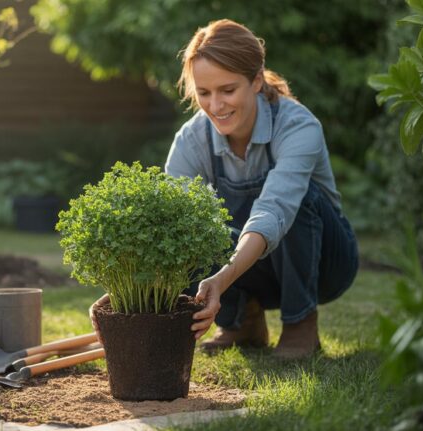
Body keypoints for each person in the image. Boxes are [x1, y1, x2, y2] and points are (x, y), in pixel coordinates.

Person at [91, 19, 358, 360]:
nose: (216, 106)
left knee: (300, 198)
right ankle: (241, 322)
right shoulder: (192, 139)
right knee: (186, 229)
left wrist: (220, 279)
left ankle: (300, 323)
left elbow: (274, 210)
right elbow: (167, 227)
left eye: (228, 90)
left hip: (326, 264)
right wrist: (122, 292)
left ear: (256, 81)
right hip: (256, 271)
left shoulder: (297, 125)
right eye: (204, 93)